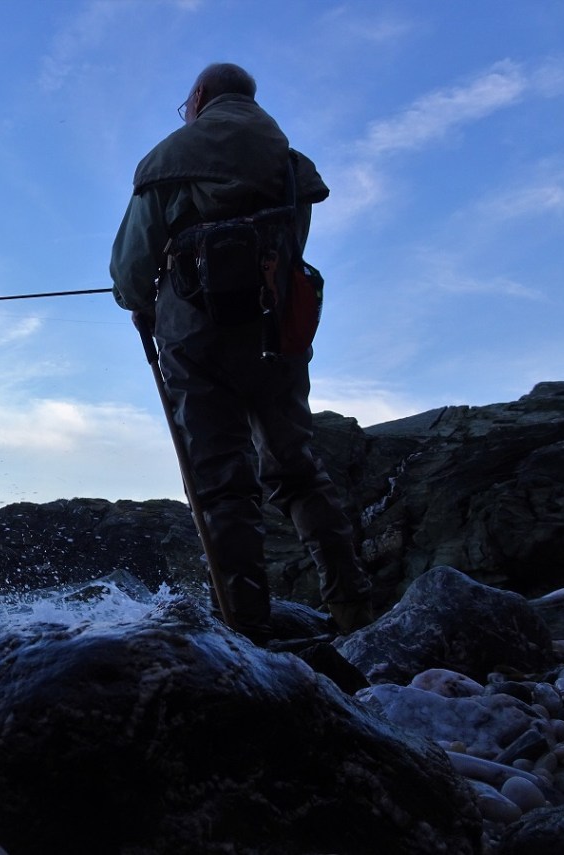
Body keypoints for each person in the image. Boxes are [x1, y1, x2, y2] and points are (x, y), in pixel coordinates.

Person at [110, 62, 372, 642]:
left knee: (221, 478)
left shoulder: (167, 159)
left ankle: (247, 628)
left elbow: (132, 267)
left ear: (199, 97)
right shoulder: (289, 163)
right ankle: (354, 606)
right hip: (278, 332)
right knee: (297, 468)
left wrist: (139, 302)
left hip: (195, 335)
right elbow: (293, 241)